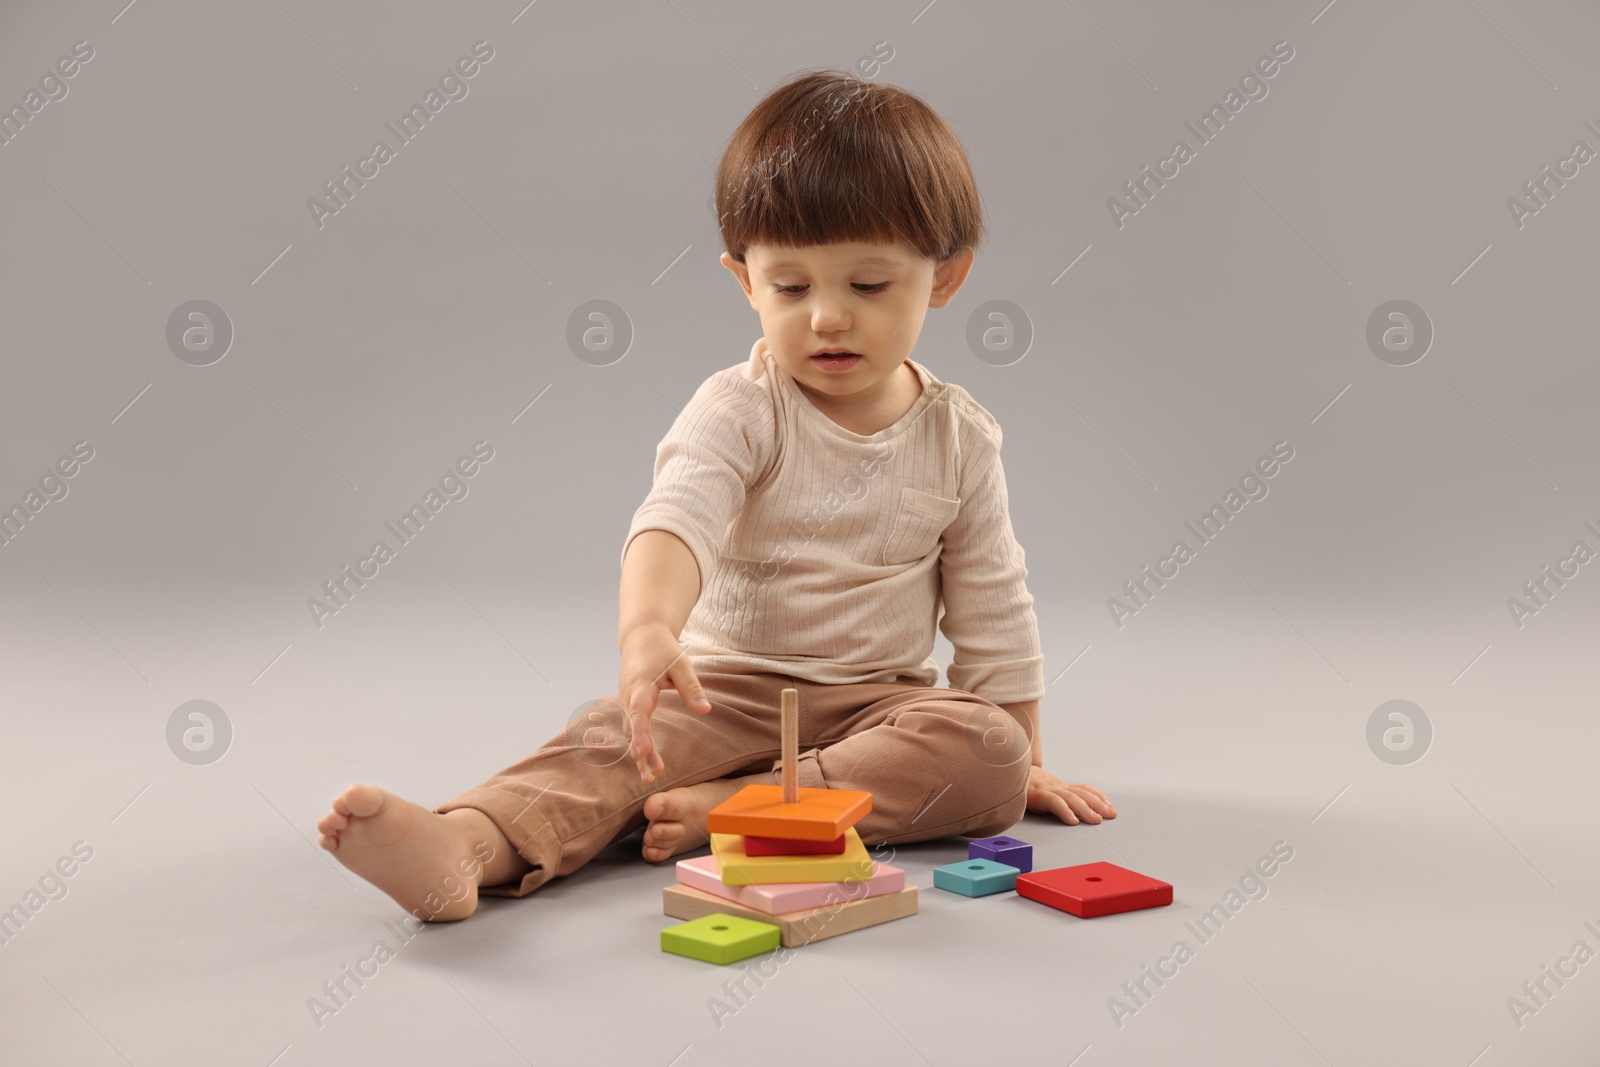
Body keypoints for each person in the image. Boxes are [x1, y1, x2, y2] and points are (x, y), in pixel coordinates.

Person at [315, 68, 1115, 923]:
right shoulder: (742, 408)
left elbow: (995, 606)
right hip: (725, 692)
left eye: (869, 286)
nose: (829, 319)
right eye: (792, 287)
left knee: (986, 749)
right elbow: (676, 520)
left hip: (883, 704)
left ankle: (741, 810)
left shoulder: (960, 436)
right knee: (609, 745)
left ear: (944, 279)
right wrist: (649, 628)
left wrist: (1023, 762)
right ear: (745, 280)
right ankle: (466, 843)